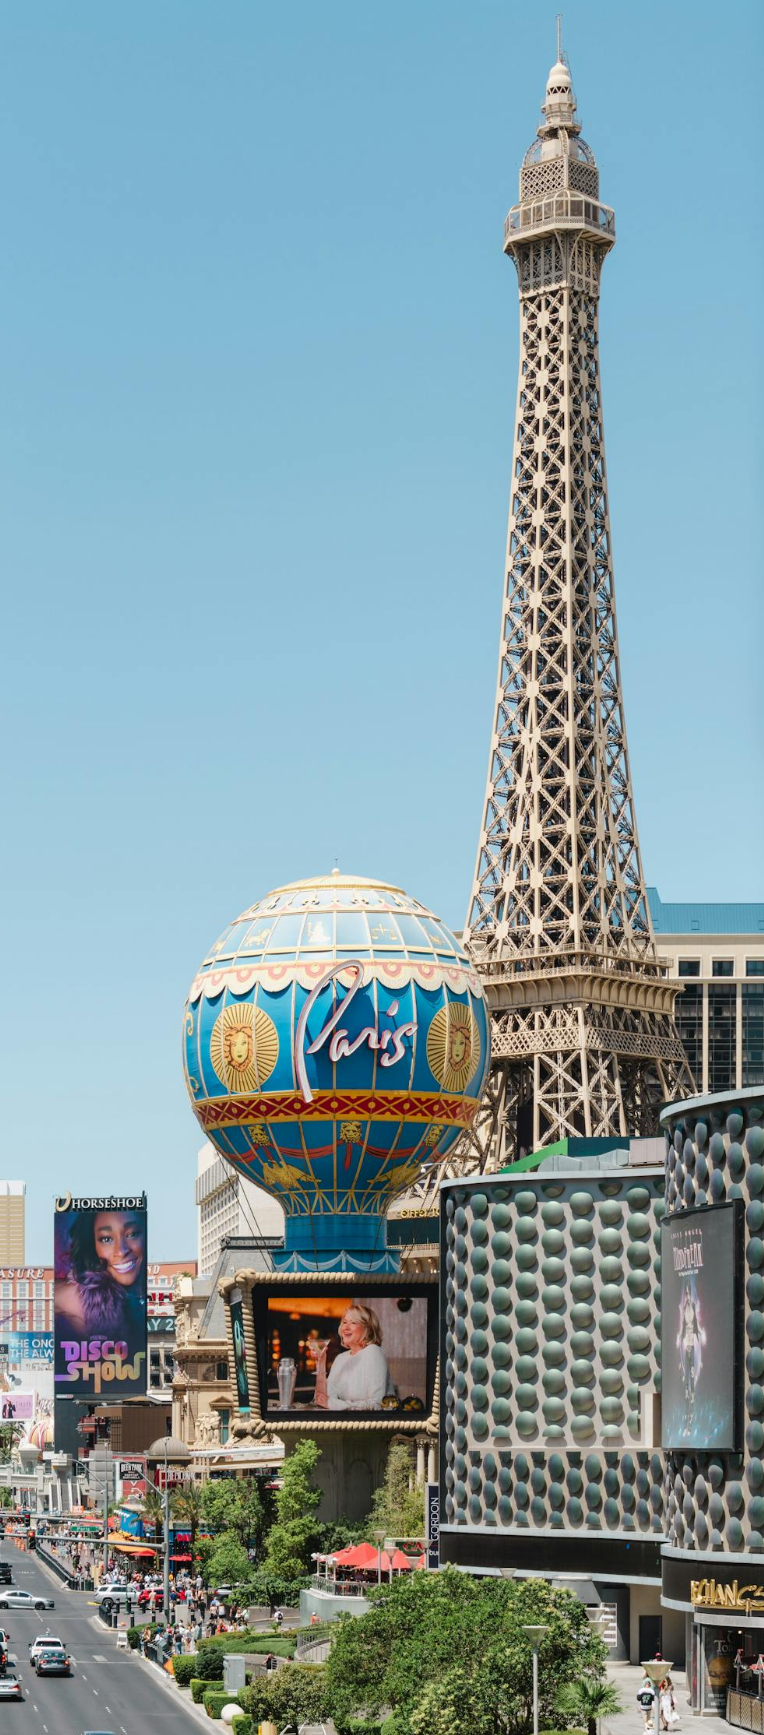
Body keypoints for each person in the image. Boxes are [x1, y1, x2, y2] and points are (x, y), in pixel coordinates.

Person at [54, 1208, 147, 1360]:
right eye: (106, 1239)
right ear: (93, 1247)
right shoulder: (82, 1297)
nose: (121, 1251)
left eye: (132, 1234)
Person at [313, 1304, 394, 1411]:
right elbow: (321, 1400)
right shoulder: (340, 1358)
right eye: (344, 1322)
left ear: (368, 1329)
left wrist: (335, 1404)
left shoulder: (373, 1352)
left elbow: (376, 1405)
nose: (346, 1327)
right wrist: (321, 1364)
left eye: (353, 1322)